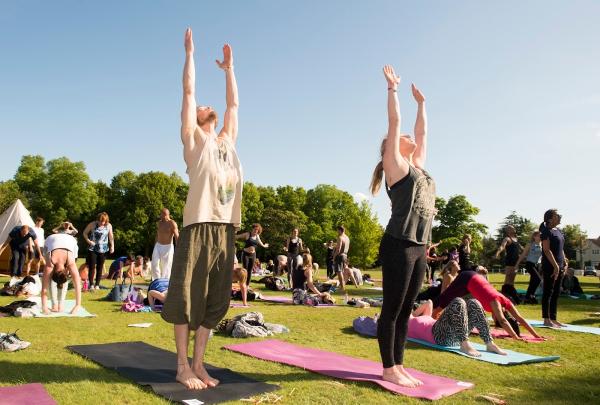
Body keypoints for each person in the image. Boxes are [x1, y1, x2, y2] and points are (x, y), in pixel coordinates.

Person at [161, 28, 242, 391]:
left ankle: (199, 364)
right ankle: (181, 365)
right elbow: (189, 91)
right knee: (185, 297)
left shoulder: (226, 141)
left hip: (225, 228)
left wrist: (229, 69)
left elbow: (234, 106)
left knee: (215, 301)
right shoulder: (193, 140)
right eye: (200, 108)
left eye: (207, 108)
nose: (204, 105)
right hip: (197, 226)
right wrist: (190, 53)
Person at [369, 66, 436, 387]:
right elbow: (395, 124)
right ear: (388, 151)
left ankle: (399, 364)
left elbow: (421, 134)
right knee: (393, 309)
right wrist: (392, 89)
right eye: (400, 139)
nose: (409, 138)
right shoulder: (395, 166)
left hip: (419, 246)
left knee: (407, 309)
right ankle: (388, 367)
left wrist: (422, 105)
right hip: (398, 244)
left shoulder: (418, 166)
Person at [432, 270, 543, 340]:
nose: (494, 319)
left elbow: (520, 318)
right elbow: (503, 320)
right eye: (496, 319)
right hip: (467, 278)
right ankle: (428, 314)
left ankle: (431, 313)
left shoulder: (507, 302)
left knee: (447, 298)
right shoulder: (495, 302)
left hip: (474, 279)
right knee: (446, 298)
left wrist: (536, 335)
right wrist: (515, 337)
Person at [409, 299, 506, 357]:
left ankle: (489, 343)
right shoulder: (405, 323)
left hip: (455, 335)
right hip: (438, 336)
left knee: (474, 302)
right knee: (458, 302)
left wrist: (415, 314)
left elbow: (429, 302)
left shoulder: (424, 315)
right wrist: (412, 315)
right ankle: (464, 344)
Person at [41, 233, 82, 315]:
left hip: (70, 241)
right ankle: (55, 305)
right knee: (47, 279)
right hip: (51, 240)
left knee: (48, 280)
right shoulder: (50, 262)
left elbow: (44, 289)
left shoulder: (70, 261)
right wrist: (44, 307)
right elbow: (77, 285)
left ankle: (60, 304)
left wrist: (78, 305)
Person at [540, 209, 567, 327]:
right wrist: (555, 266)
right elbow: (546, 250)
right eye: (557, 215)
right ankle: (546, 319)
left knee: (556, 292)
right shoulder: (545, 231)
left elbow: (561, 248)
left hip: (560, 265)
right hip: (550, 266)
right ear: (550, 219)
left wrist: (565, 261)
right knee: (548, 292)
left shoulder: (558, 231)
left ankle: (553, 318)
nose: (560, 216)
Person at [82, 212, 114, 290]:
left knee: (100, 267)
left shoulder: (109, 226)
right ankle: (91, 284)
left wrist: (112, 246)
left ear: (106, 221)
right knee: (92, 267)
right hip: (92, 248)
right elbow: (85, 233)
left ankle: (97, 285)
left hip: (103, 249)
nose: (101, 223)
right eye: (100, 221)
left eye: (103, 221)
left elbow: (111, 236)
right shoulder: (92, 224)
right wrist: (89, 241)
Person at [515, 231, 543, 304]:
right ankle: (530, 296)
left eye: (541, 236)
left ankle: (528, 298)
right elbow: (523, 255)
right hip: (529, 264)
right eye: (538, 236)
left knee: (533, 282)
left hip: (537, 265)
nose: (540, 237)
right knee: (538, 279)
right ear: (534, 237)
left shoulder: (542, 245)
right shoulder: (530, 244)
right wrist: (517, 264)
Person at [151, 208, 179, 280]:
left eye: (162, 214)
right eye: (160, 214)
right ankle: (156, 280)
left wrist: (179, 247)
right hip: (158, 246)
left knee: (166, 267)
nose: (160, 216)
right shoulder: (159, 223)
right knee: (154, 264)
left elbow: (176, 236)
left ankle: (165, 281)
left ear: (166, 215)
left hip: (168, 247)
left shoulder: (172, 223)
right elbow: (157, 235)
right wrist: (155, 245)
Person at [333, 226, 351, 293]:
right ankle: (342, 286)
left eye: (337, 231)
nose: (337, 232)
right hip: (345, 255)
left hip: (340, 256)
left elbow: (338, 249)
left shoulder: (340, 237)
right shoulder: (347, 238)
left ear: (340, 230)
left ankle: (342, 287)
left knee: (339, 271)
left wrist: (334, 257)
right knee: (341, 271)